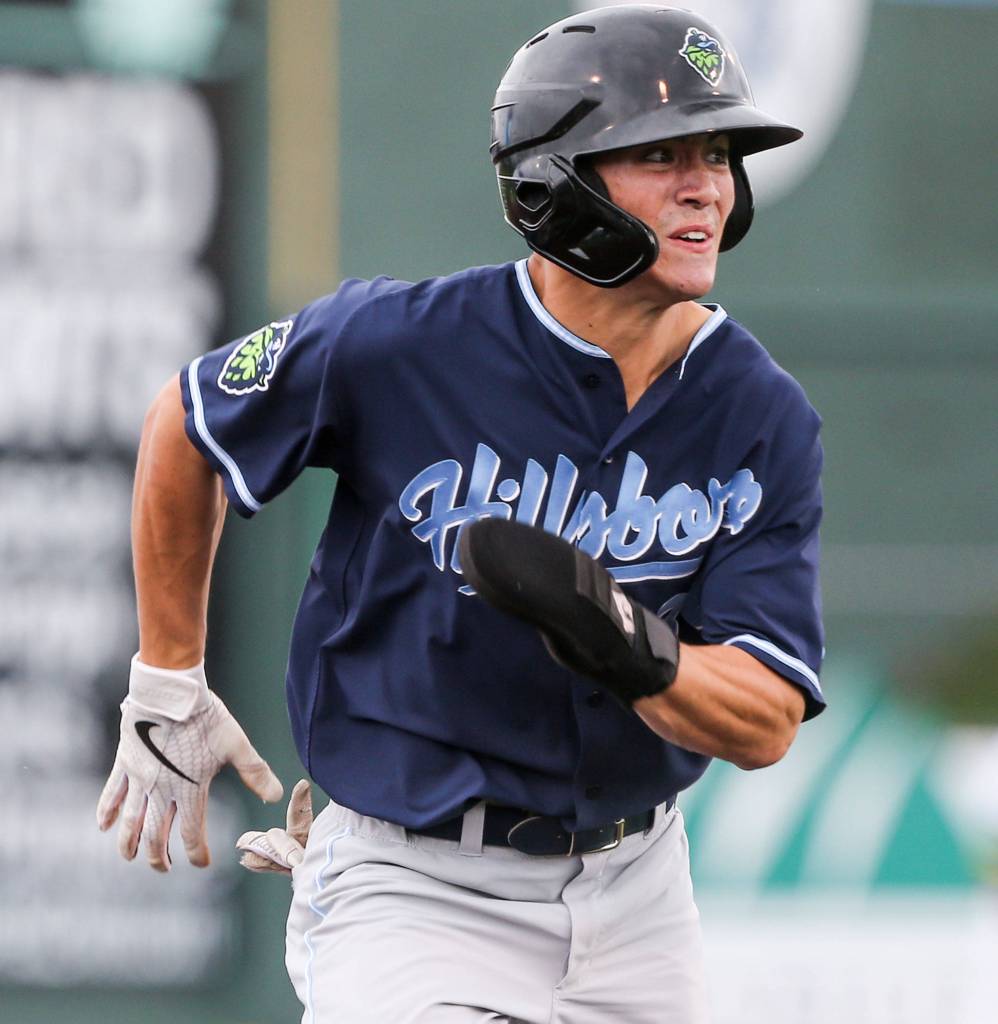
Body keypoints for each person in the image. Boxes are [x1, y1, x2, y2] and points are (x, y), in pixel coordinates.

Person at [97, 6, 826, 1021]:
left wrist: (620, 642)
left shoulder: (758, 414)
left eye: (716, 152)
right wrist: (168, 671)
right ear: (553, 184)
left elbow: (763, 717)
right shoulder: (396, 345)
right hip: (415, 889)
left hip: (637, 892)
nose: (704, 183)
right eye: (659, 153)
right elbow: (188, 421)